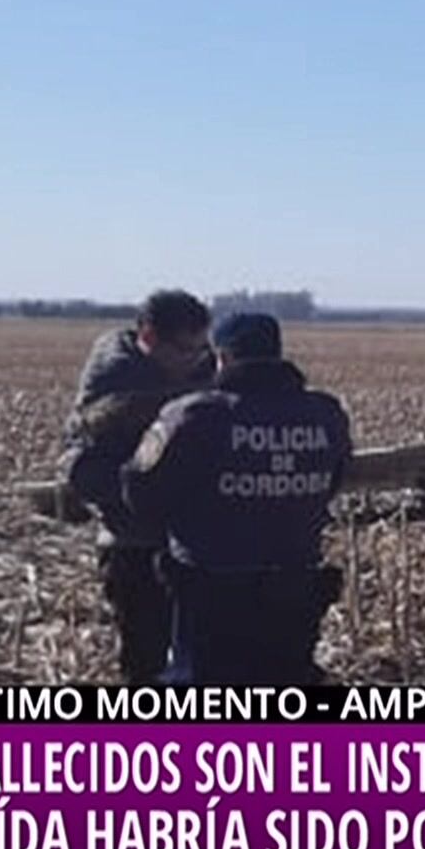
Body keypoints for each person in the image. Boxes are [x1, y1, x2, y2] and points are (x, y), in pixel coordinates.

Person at [122, 313, 352, 687]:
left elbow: (141, 491)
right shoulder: (326, 415)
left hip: (211, 591)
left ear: (223, 358)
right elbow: (334, 480)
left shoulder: (193, 416)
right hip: (296, 588)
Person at [62, 290, 215, 683]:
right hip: (136, 545)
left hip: (201, 549)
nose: (196, 360)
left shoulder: (207, 367)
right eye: (184, 350)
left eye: (202, 349)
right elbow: (81, 468)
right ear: (148, 336)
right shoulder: (112, 381)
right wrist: (146, 493)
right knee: (145, 664)